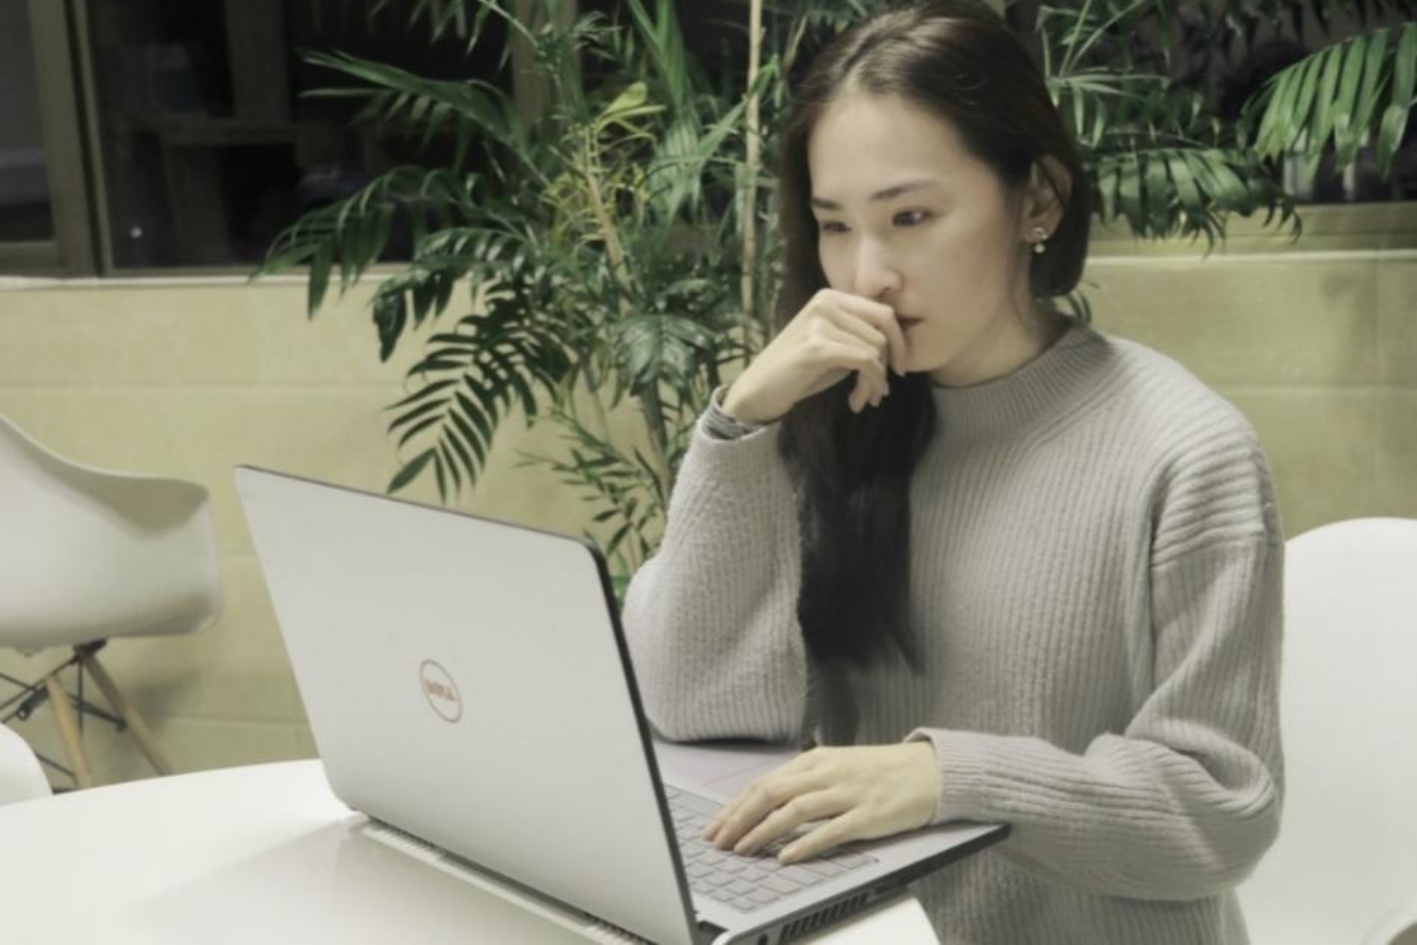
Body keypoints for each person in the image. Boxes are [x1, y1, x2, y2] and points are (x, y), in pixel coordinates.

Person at [621, 1, 1284, 941]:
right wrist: (742, 421)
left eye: (910, 217)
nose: (866, 274)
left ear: (1037, 200)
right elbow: (693, 704)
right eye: (834, 226)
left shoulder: (1185, 452)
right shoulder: (835, 413)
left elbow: (1221, 813)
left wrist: (950, 778)